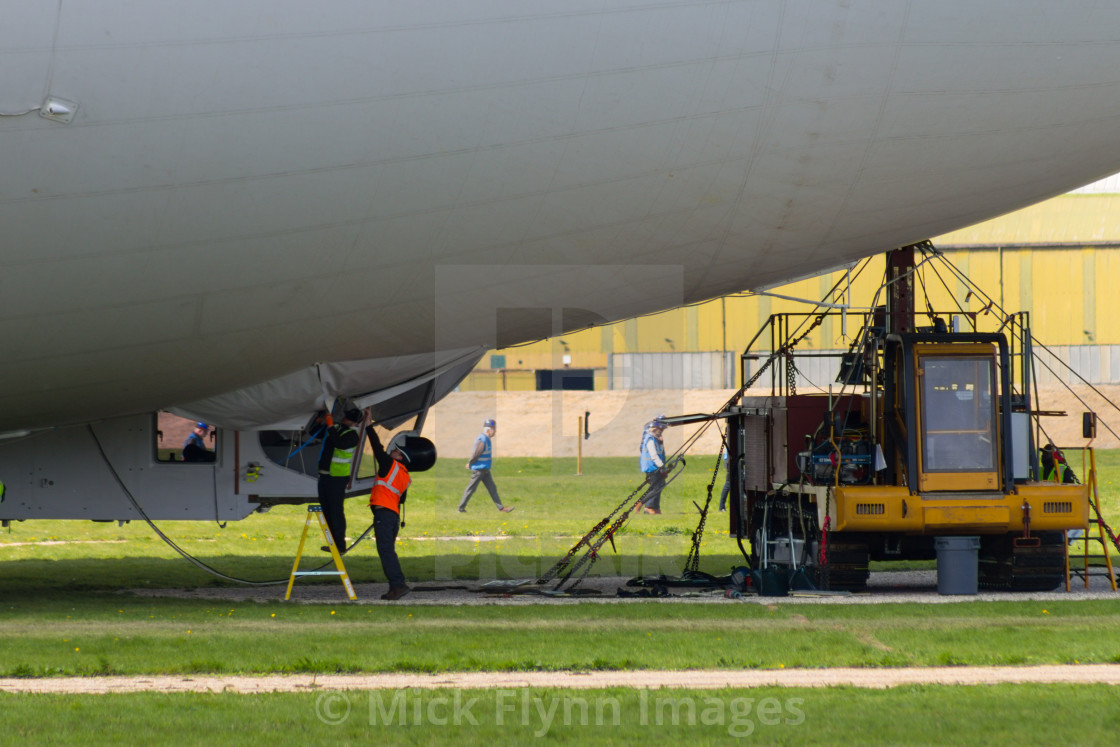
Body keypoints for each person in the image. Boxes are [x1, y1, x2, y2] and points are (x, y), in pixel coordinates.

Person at [366, 425, 411, 600]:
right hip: (392, 516)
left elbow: (377, 448)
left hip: (384, 515)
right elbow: (401, 499)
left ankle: (398, 584)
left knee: (385, 551)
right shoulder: (405, 475)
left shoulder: (390, 465)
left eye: (395, 451)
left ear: (400, 457)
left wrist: (369, 426)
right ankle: (395, 587)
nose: (391, 451)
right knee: (388, 551)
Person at [315, 407, 362, 553]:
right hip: (325, 475)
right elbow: (314, 433)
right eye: (345, 416)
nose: (344, 419)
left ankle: (340, 545)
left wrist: (329, 425)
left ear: (355, 423)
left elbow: (338, 443)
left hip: (337, 478)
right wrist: (319, 421)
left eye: (348, 418)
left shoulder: (353, 436)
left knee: (336, 511)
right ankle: (332, 543)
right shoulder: (335, 428)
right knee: (326, 510)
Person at [458, 419, 514, 513]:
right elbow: (476, 454)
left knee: (492, 488)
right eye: (493, 429)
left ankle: (501, 508)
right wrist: (470, 463)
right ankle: (460, 509)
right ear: (488, 430)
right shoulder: (482, 439)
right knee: (471, 489)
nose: (495, 431)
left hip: (485, 470)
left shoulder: (486, 439)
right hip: (479, 470)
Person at [637, 417, 667, 514]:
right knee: (655, 488)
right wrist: (662, 467)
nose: (661, 432)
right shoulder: (650, 439)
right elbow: (654, 455)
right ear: (656, 429)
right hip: (652, 468)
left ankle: (654, 507)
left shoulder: (656, 439)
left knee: (660, 485)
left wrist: (661, 443)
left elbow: (661, 452)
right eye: (661, 430)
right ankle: (642, 504)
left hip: (656, 467)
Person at [719, 445, 731, 512]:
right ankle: (721, 507)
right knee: (728, 483)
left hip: (728, 460)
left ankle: (722, 507)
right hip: (729, 460)